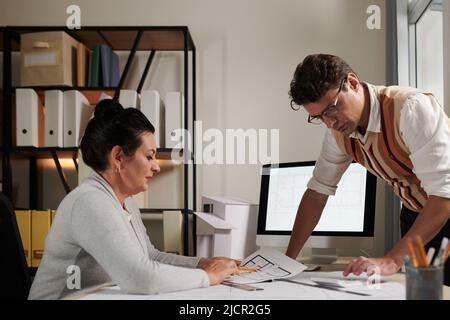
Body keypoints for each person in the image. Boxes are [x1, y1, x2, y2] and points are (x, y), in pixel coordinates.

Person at [28, 99, 239, 299]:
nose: (156, 166)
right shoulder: (89, 201)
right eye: (149, 156)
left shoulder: (125, 202)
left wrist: (201, 264)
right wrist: (208, 277)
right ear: (118, 157)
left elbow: (150, 257)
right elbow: (140, 277)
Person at [286, 54, 450, 285]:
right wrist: (287, 263)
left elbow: (444, 194)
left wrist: (392, 260)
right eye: (319, 117)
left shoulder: (411, 108)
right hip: (417, 215)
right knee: (422, 291)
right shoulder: (337, 133)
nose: (329, 123)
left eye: (332, 109)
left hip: (442, 207)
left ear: (352, 82)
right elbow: (316, 193)